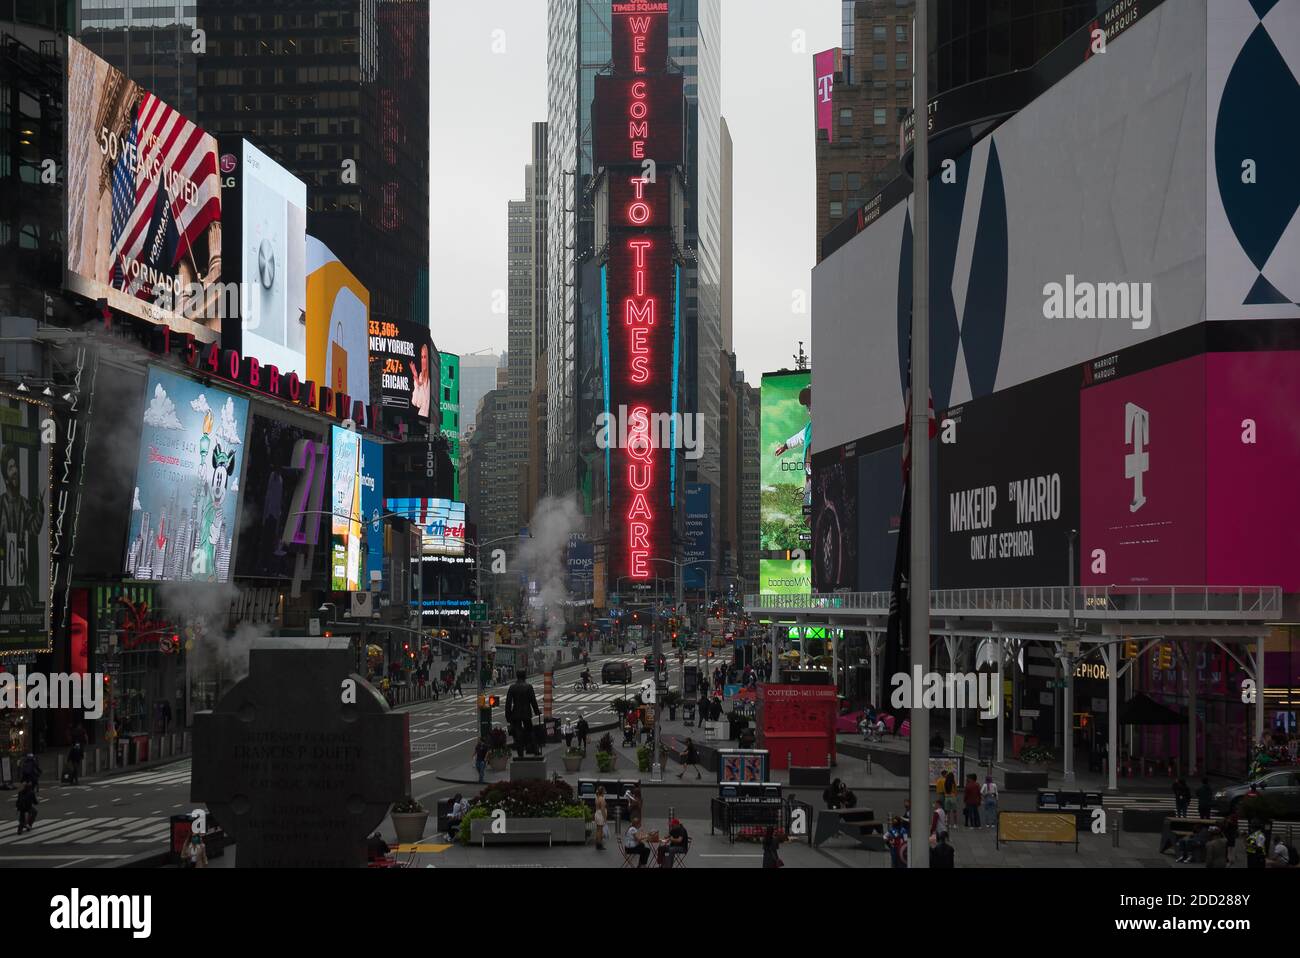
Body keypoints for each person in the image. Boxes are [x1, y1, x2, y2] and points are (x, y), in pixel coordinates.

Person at [505, 670, 541, 758]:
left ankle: (520, 753)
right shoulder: (528, 687)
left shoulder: (512, 687)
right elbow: (533, 701)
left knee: (518, 733)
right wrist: (537, 711)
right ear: (525, 676)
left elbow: (508, 703)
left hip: (516, 713)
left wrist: (508, 716)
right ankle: (535, 749)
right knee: (530, 731)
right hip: (526, 712)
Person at [593, 786, 609, 851]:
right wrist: (605, 818)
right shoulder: (602, 799)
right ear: (602, 791)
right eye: (604, 791)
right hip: (600, 815)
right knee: (600, 830)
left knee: (598, 829)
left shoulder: (597, 798)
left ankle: (597, 843)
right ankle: (599, 844)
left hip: (597, 813)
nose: (605, 792)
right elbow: (602, 809)